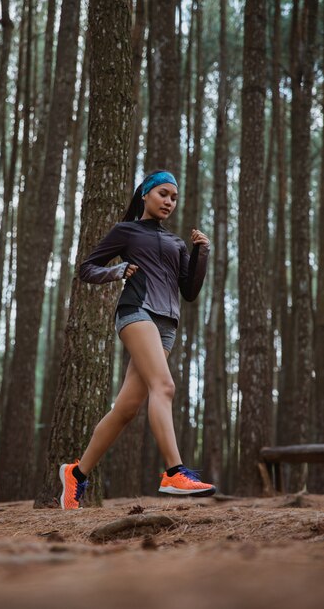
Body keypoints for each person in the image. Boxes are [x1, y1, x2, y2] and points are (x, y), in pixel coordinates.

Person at [59, 170, 215, 509]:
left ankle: (77, 474)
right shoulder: (126, 231)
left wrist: (200, 252)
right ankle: (175, 472)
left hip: (167, 324)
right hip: (136, 310)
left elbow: (189, 291)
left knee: (127, 409)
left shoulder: (175, 242)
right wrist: (118, 270)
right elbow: (87, 268)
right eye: (163, 194)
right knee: (165, 387)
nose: (169, 202)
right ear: (145, 194)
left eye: (174, 198)